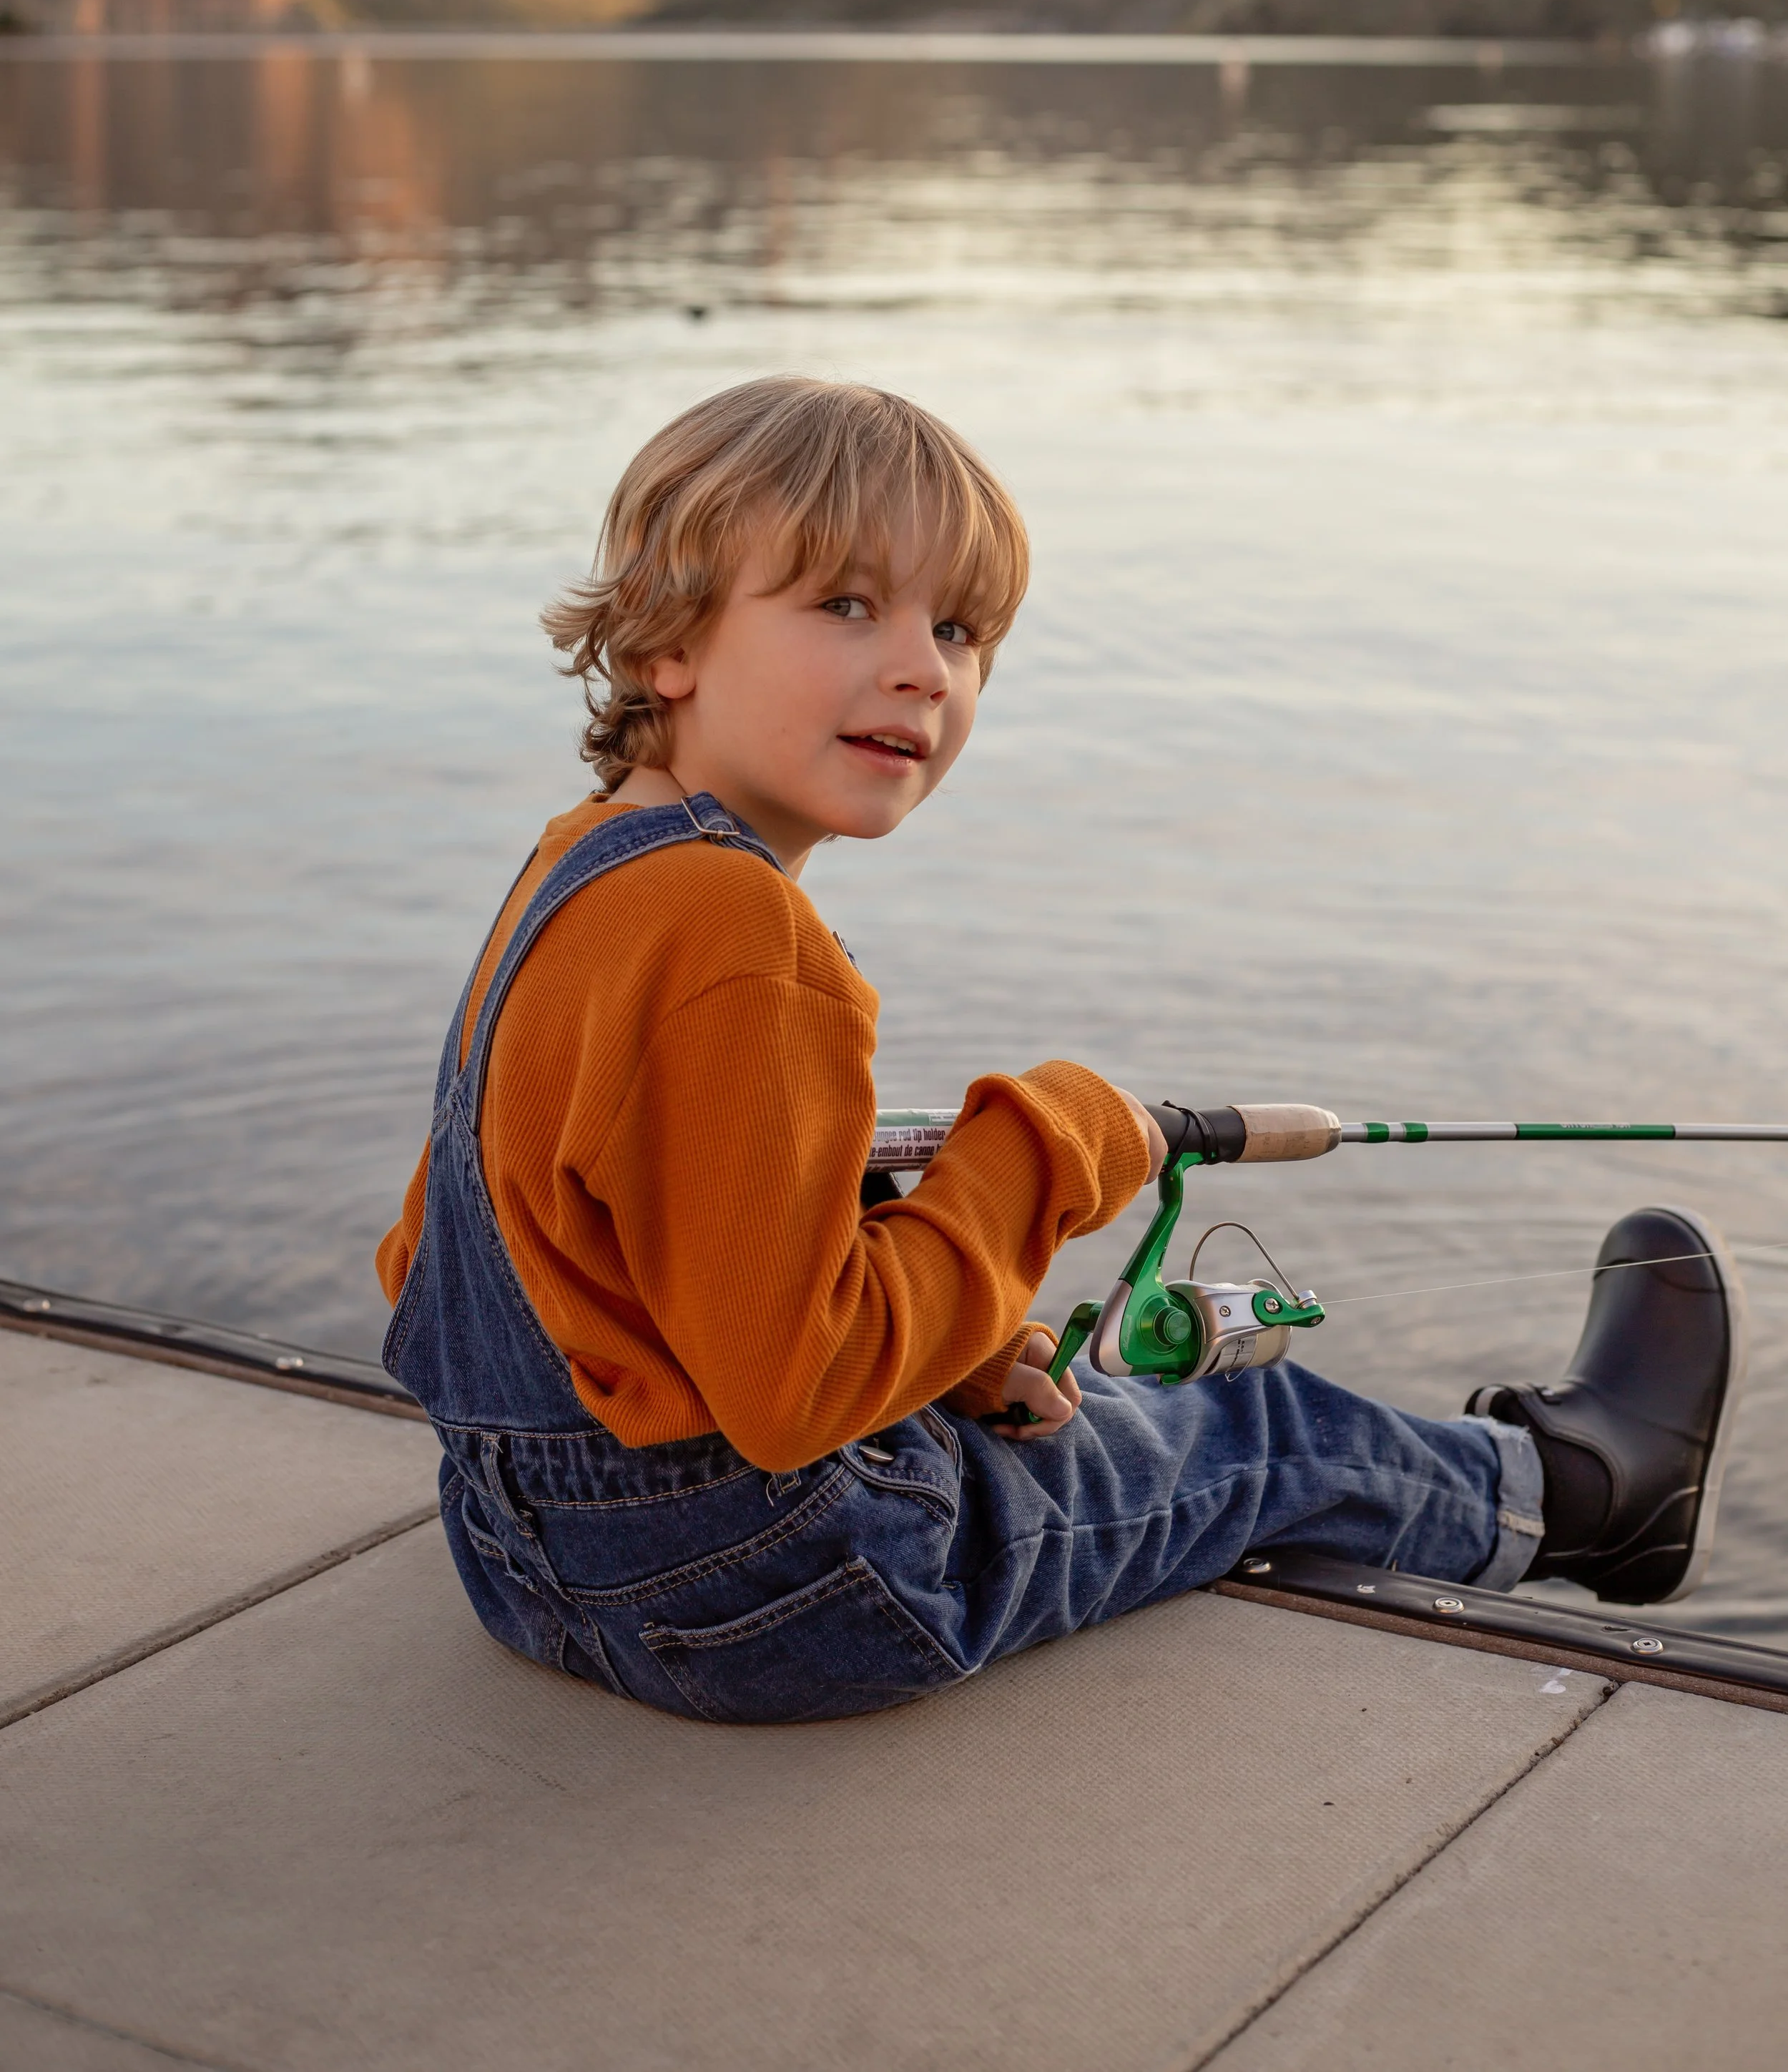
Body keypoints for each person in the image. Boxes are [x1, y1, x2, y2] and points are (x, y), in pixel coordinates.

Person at [377, 377, 1745, 1722]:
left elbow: (466, 1257)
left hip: (524, 1558)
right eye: (846, 603)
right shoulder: (739, 929)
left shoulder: (582, 875)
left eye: (963, 628)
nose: (923, 665)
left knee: (1053, 1399)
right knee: (1252, 1437)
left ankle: (1504, 1498)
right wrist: (1046, 1145)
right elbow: (797, 1393)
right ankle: (1586, 1496)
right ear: (669, 640)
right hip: (787, 1595)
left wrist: (960, 1351)